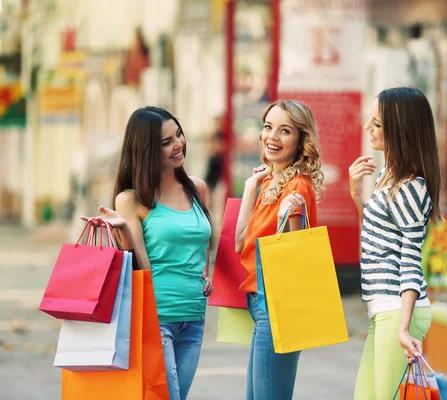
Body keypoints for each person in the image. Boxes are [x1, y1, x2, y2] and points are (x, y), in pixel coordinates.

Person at [81, 106, 214, 400]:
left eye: (178, 134)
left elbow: (203, 239)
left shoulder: (198, 189)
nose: (178, 144)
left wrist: (207, 273)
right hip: (156, 318)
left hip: (194, 318)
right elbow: (139, 266)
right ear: (147, 150)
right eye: (166, 142)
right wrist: (124, 235)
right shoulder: (131, 199)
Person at [349, 87, 442, 400]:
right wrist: (355, 194)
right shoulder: (387, 176)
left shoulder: (411, 188)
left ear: (399, 131)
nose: (368, 129)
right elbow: (374, 239)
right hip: (383, 310)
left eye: (376, 124)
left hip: (398, 310)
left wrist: (404, 328)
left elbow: (410, 260)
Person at [234, 100, 324, 400]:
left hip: (277, 304)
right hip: (262, 303)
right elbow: (240, 242)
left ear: (301, 140)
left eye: (284, 131)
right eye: (268, 127)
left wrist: (289, 216)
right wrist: (250, 187)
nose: (271, 136)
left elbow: (296, 255)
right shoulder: (272, 181)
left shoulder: (296, 187)